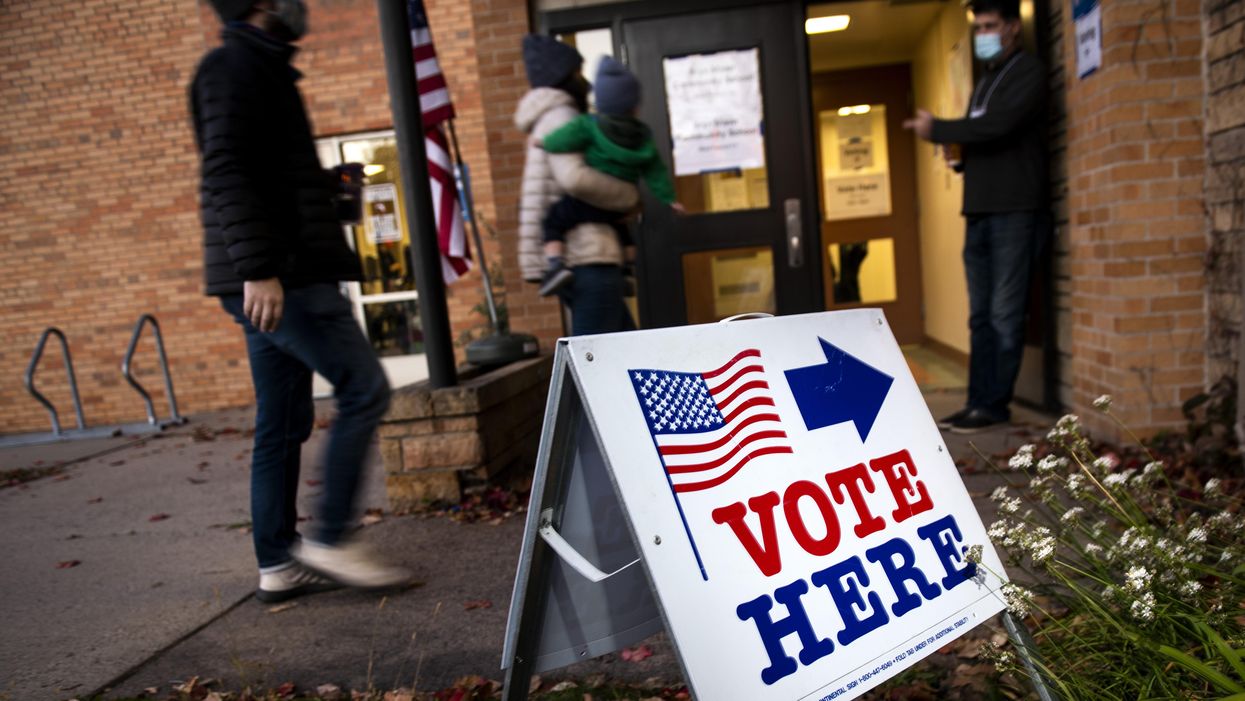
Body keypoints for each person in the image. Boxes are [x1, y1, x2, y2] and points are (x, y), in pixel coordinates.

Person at [190, 0, 410, 602]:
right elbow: (226, 172)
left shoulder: (264, 69)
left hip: (279, 272)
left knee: (282, 422)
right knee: (365, 388)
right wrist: (257, 269)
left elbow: (269, 178)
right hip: (281, 276)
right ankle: (333, 539)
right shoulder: (233, 67)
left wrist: (331, 192)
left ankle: (278, 562)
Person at [904, 0, 1047, 434]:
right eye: (978, 26)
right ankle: (975, 401)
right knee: (980, 315)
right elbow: (982, 138)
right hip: (979, 210)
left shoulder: (1027, 74)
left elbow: (998, 127)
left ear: (1011, 29)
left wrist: (941, 130)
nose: (983, 33)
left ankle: (995, 404)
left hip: (1014, 210)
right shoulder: (985, 82)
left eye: (989, 25)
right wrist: (960, 159)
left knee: (1005, 312)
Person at [515, 35, 641, 335]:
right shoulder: (563, 117)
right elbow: (575, 177)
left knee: (622, 352)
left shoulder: (552, 117)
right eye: (576, 73)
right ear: (562, 76)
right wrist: (628, 195)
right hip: (587, 255)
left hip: (584, 256)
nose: (583, 81)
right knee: (594, 359)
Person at [532, 57, 678, 297]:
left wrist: (544, 142)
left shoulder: (589, 125)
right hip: (621, 203)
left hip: (591, 199)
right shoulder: (642, 135)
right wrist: (669, 197)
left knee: (554, 219)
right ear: (635, 106)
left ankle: (555, 265)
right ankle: (628, 271)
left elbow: (564, 139)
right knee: (621, 230)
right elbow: (655, 169)